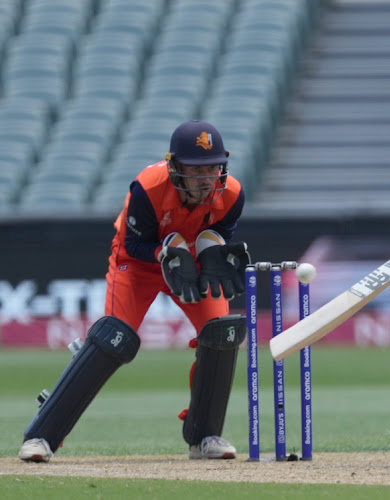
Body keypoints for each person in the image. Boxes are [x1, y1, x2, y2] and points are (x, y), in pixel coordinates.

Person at [19, 120, 251, 463]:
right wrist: (165, 254)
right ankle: (41, 436)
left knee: (221, 334)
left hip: (192, 263)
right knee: (112, 339)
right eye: (195, 169)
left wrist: (213, 249)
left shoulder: (231, 192)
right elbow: (134, 242)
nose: (205, 178)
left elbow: (219, 230)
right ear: (175, 167)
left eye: (212, 167)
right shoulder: (149, 187)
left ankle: (205, 436)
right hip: (139, 262)